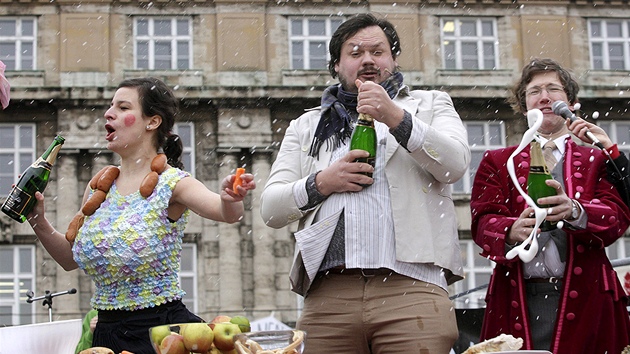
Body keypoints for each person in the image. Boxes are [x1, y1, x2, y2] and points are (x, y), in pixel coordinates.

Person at [260, 13, 470, 353]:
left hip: (412, 286)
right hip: (330, 294)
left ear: (394, 59)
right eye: (355, 52)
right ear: (337, 66)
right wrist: (321, 183)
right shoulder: (306, 126)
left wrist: (395, 117)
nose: (368, 59)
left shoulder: (429, 104)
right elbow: (270, 210)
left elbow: (454, 165)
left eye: (378, 51)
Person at [26, 77, 256, 354]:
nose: (109, 113)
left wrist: (231, 198)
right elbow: (68, 258)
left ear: (153, 122)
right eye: (110, 106)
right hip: (107, 333)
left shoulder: (172, 182)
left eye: (123, 108)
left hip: (161, 334)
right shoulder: (99, 186)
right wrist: (36, 219)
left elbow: (225, 213)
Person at [470, 58, 630, 353]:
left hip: (590, 299)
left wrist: (576, 211)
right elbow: (482, 222)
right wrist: (510, 229)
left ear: (572, 103)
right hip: (517, 298)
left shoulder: (596, 158)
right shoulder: (496, 160)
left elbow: (617, 219)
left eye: (553, 89)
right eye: (534, 91)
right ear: (522, 107)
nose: (544, 97)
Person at [568, 117, 630, 207]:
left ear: (572, 105)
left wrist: (608, 146)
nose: (546, 102)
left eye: (556, 101)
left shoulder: (595, 159)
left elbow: (623, 202)